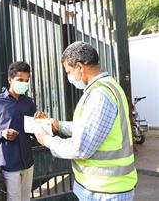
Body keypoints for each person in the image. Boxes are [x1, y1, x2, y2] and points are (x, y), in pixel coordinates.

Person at [35, 42, 137, 201]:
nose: (69, 77)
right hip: (103, 188)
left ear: (79, 67)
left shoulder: (100, 95)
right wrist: (59, 125)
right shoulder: (107, 87)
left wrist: (47, 140)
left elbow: (81, 148)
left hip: (105, 191)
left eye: (69, 72)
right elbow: (88, 129)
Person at [0, 61, 36, 201]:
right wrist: (2, 133)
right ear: (10, 79)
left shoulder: (29, 103)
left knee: (26, 198)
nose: (24, 83)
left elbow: (33, 131)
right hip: (9, 162)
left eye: (26, 80)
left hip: (28, 161)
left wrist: (41, 122)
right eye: (20, 80)